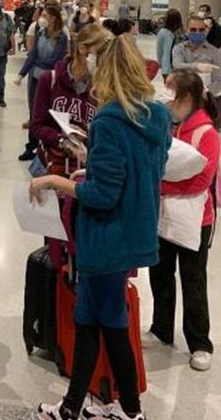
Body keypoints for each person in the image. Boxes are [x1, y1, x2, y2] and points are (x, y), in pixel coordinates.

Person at [31, 35, 171, 420]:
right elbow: (141, 174)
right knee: (91, 319)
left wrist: (57, 182)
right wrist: (92, 171)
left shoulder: (109, 119)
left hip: (106, 237)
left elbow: (103, 195)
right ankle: (74, 406)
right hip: (135, 229)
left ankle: (130, 411)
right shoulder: (157, 116)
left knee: (108, 323)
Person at [145, 68, 220, 373]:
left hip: (196, 221)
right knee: (160, 273)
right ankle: (161, 327)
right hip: (165, 216)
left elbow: (202, 179)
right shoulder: (170, 126)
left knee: (193, 280)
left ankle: (200, 343)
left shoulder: (206, 133)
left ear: (186, 98)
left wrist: (160, 185)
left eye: (170, 93)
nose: (165, 99)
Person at [28, 24, 113, 177]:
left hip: (86, 169)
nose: (104, 62)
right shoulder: (50, 80)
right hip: (51, 165)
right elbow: (37, 125)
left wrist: (87, 136)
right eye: (99, 54)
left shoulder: (104, 89)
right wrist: (62, 140)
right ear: (82, 49)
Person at [17, 3, 70, 162]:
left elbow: (57, 59)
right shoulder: (40, 33)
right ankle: (31, 147)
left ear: (53, 18)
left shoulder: (62, 36)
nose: (42, 19)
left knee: (50, 114)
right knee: (34, 114)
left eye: (45, 16)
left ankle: (48, 148)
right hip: (35, 78)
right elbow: (32, 55)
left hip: (52, 79)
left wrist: (44, 67)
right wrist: (22, 74)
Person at [172, 16, 221, 98]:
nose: (197, 32)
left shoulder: (215, 52)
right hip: (183, 95)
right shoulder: (179, 49)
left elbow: (219, 80)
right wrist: (198, 66)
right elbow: (177, 66)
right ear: (187, 31)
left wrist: (203, 93)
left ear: (206, 31)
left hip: (206, 97)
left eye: (201, 30)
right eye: (193, 30)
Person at [157, 9, 184, 80]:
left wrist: (161, 63)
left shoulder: (165, 32)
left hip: (169, 67)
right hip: (175, 67)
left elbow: (160, 51)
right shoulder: (179, 32)